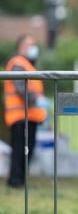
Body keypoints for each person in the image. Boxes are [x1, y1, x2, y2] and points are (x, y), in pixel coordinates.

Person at [4, 34, 46, 189]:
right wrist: (36, 100)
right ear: (22, 46)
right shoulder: (18, 63)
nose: (35, 47)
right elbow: (20, 87)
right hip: (20, 115)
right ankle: (15, 181)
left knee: (27, 150)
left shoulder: (28, 64)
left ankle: (20, 180)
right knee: (21, 150)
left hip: (30, 115)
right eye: (31, 44)